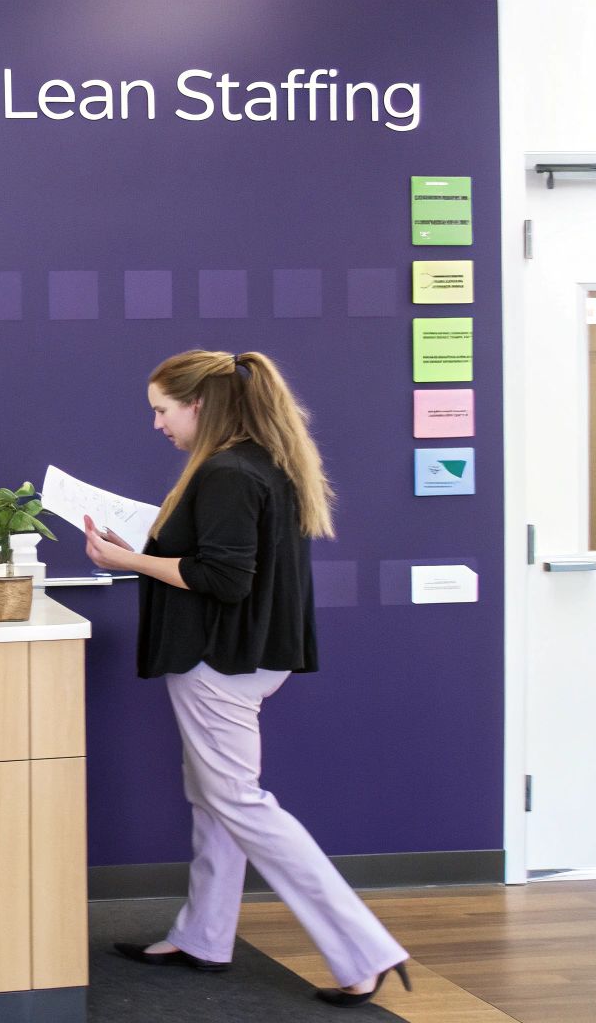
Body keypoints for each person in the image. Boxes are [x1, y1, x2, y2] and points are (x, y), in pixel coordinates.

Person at [82, 349, 410, 1008]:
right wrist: (145, 541)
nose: (157, 425)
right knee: (215, 796)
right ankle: (203, 935)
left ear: (198, 405)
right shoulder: (256, 462)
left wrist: (125, 559)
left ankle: (364, 948)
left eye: (162, 410)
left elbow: (223, 578)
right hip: (245, 656)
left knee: (236, 800)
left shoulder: (226, 472)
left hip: (218, 659)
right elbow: (221, 555)